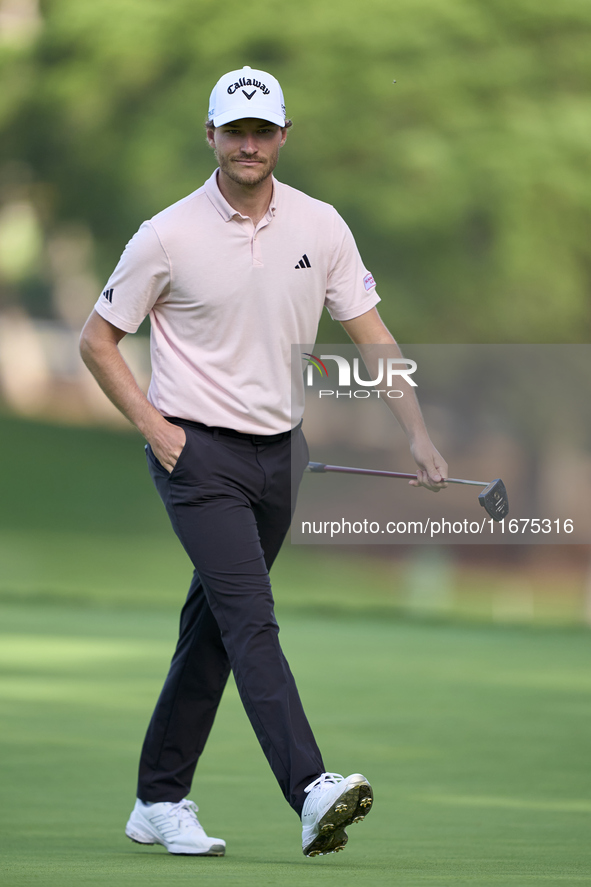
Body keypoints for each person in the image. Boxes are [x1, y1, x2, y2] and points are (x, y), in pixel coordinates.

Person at [79, 65, 448, 859]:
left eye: (262, 130)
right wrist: (153, 426)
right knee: (251, 621)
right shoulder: (166, 234)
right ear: (210, 135)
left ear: (283, 136)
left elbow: (371, 336)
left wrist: (416, 431)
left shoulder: (320, 226)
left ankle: (158, 796)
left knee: (211, 628)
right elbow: (97, 339)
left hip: (281, 455)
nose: (248, 145)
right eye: (234, 131)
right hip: (195, 454)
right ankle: (310, 789)